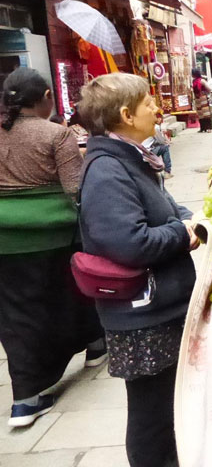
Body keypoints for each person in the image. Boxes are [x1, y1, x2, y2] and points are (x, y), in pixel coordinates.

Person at [76, 73, 199, 467]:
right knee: (152, 413)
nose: (156, 108)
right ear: (126, 115)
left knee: (165, 404)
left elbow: (161, 205)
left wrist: (187, 218)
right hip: (143, 315)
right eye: (148, 102)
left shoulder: (130, 156)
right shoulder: (106, 171)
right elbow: (130, 243)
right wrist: (182, 234)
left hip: (157, 307)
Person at [0, 68, 105, 428]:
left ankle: (26, 398)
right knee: (68, 296)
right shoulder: (55, 134)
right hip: (53, 234)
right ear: (47, 96)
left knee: (16, 317)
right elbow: (76, 188)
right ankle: (92, 348)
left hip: (5, 240)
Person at [144, 112, 173, 178]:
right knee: (165, 148)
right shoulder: (155, 127)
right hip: (148, 151)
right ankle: (167, 172)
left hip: (141, 150)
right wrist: (166, 142)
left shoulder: (142, 125)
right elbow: (161, 141)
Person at [191, 68, 212, 133]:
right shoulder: (194, 81)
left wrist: (205, 93)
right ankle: (202, 128)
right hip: (197, 99)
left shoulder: (202, 81)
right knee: (200, 114)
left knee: (206, 113)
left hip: (203, 98)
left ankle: (209, 128)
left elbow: (209, 89)